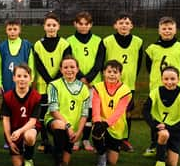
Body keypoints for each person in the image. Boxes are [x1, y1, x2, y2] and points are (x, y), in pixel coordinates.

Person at [143, 16, 180, 157]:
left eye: (170, 28)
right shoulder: (152, 49)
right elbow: (149, 67)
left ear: (175, 30)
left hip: (175, 89)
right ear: (159, 30)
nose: (167, 31)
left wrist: (173, 80)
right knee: (155, 114)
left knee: (176, 115)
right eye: (164, 28)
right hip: (157, 88)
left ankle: (175, 144)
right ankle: (154, 143)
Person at [102, 13, 143, 152]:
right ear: (115, 25)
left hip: (128, 85)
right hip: (110, 86)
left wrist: (131, 77)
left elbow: (139, 63)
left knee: (127, 113)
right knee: (109, 111)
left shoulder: (138, 42)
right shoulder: (107, 41)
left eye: (127, 23)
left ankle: (125, 139)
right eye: (121, 23)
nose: (124, 25)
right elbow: (102, 62)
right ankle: (106, 138)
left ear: (131, 26)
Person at [142, 67, 180, 166]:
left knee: (173, 164)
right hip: (159, 128)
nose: (169, 82)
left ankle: (161, 148)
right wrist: (154, 125)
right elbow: (145, 111)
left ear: (178, 79)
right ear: (162, 79)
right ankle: (160, 161)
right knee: (164, 135)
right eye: (166, 79)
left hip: (175, 130)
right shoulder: (155, 92)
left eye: (172, 79)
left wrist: (169, 127)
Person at [44, 56, 90, 166]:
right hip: (55, 121)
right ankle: (57, 160)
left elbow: (84, 114)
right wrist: (68, 127)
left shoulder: (84, 88)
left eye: (72, 67)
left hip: (73, 128)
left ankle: (52, 149)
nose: (69, 70)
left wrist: (78, 132)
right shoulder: (53, 85)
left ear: (77, 69)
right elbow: (54, 110)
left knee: (66, 162)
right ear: (61, 70)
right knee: (60, 125)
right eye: (65, 67)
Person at [66, 11, 104, 152]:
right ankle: (76, 139)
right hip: (75, 83)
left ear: (91, 25)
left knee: (89, 113)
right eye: (80, 24)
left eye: (86, 24)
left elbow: (99, 63)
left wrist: (88, 79)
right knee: (76, 112)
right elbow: (69, 60)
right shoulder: (69, 41)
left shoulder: (98, 41)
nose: (83, 26)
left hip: (93, 83)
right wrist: (81, 78)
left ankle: (86, 140)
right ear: (75, 24)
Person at [33, 12, 71, 151]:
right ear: (44, 27)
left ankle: (60, 139)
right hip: (43, 86)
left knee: (57, 113)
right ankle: (44, 140)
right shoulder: (37, 45)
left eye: (54, 25)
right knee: (42, 114)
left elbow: (65, 63)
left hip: (59, 85)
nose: (51, 28)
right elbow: (38, 65)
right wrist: (49, 80)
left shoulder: (64, 44)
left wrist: (55, 81)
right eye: (48, 25)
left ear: (58, 27)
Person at [91, 60, 132, 166]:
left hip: (116, 126)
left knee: (112, 162)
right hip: (101, 122)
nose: (112, 74)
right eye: (109, 71)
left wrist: (106, 124)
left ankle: (110, 146)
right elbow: (95, 106)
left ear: (120, 74)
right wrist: (97, 121)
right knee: (96, 130)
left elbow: (119, 111)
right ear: (103, 73)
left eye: (115, 72)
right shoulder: (97, 87)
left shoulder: (125, 90)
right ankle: (101, 152)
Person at [1, 64, 41, 166]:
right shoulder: (8, 96)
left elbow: (33, 121)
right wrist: (9, 141)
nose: (22, 79)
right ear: (14, 78)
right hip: (14, 131)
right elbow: (6, 120)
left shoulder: (36, 97)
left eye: (25, 76)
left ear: (30, 78)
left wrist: (20, 131)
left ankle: (28, 158)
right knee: (17, 165)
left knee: (29, 136)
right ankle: (22, 149)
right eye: (19, 76)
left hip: (28, 129)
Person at [0, 18, 34, 94]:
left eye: (15, 29)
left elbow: (31, 65)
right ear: (6, 31)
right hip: (7, 81)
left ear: (20, 30)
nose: (12, 32)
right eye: (9, 29)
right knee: (8, 103)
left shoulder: (27, 45)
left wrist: (30, 81)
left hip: (23, 82)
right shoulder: (2, 46)